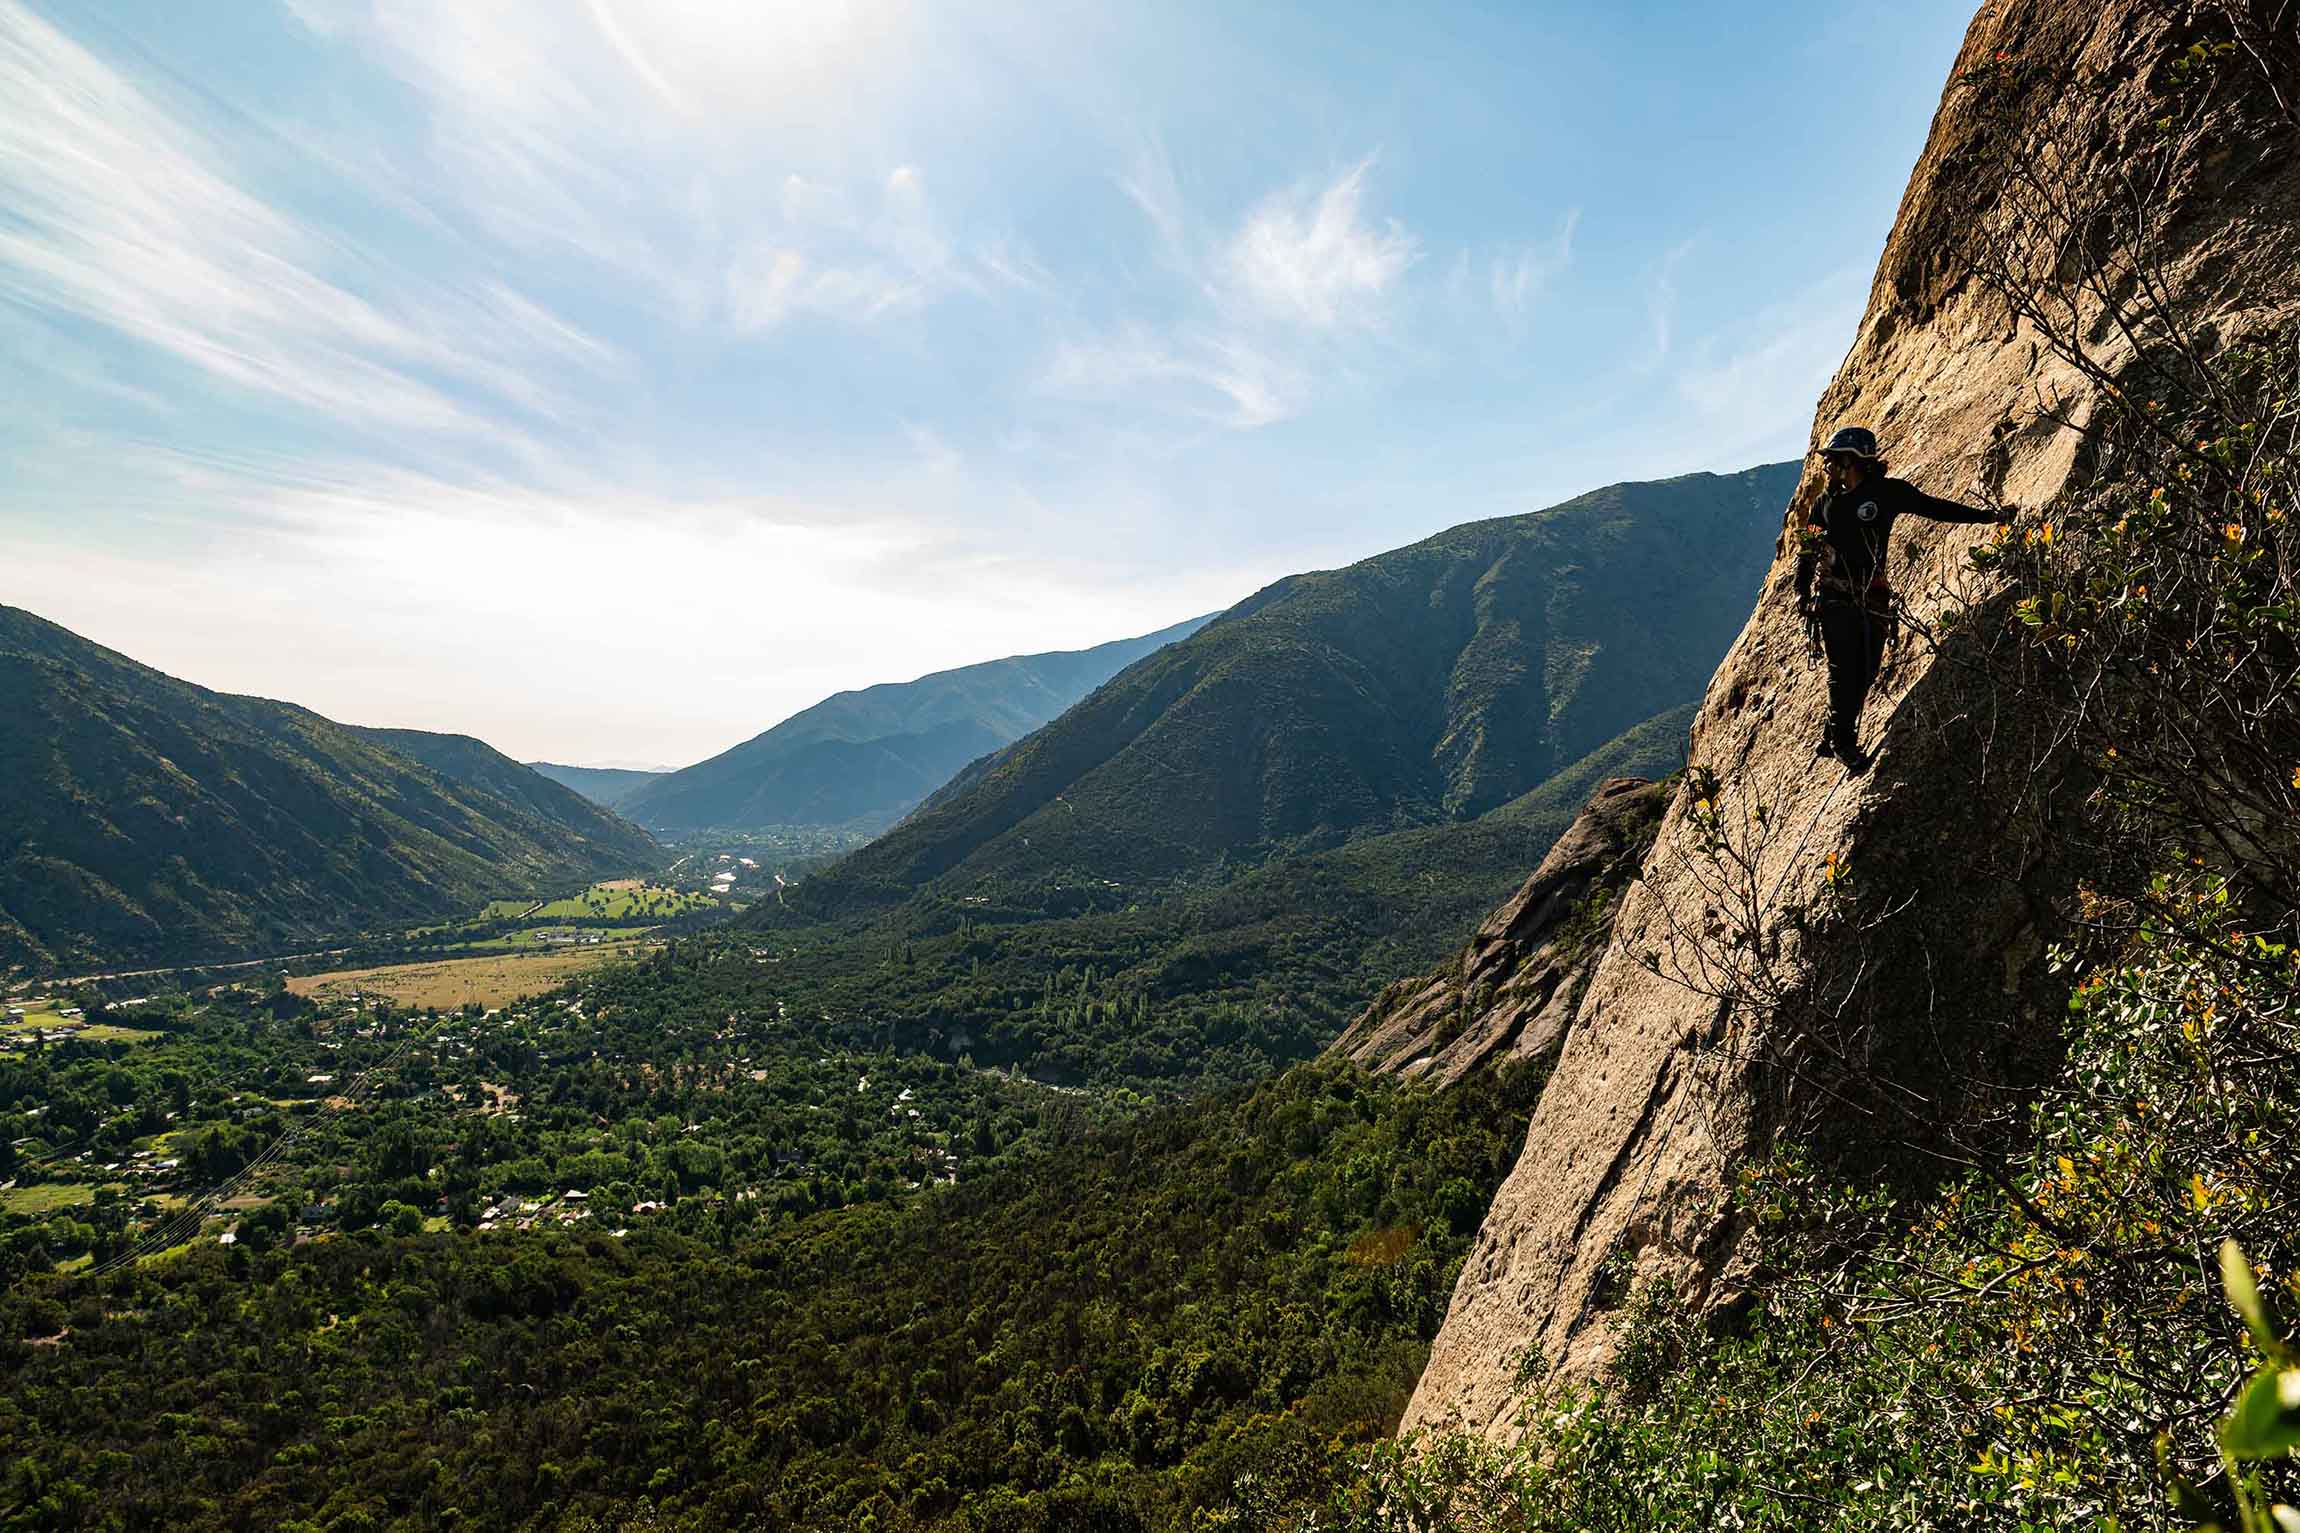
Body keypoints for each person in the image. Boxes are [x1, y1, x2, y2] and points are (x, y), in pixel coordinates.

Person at [1791, 425, 2008, 773]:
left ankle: (1834, 729)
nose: (1827, 466)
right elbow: (1807, 548)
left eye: (1833, 460)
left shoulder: (1886, 493)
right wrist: (1801, 592)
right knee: (1843, 669)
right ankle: (1843, 743)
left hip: (1873, 595)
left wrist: (1986, 517)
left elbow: (1933, 508)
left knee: (1868, 669)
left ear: (1854, 461)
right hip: (1833, 596)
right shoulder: (1823, 505)